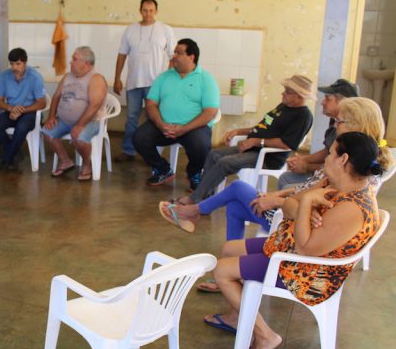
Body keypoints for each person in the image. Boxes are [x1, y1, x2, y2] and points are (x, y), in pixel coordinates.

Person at [203, 132, 382, 349]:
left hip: (308, 273)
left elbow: (306, 248)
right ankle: (239, 314)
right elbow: (289, 204)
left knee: (221, 271)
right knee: (228, 249)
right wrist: (303, 211)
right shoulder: (334, 183)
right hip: (289, 248)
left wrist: (307, 205)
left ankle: (265, 336)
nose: (326, 158)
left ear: (343, 159)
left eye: (330, 153)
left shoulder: (353, 208)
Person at [160, 96, 393, 239]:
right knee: (233, 205)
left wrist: (277, 201)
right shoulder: (350, 154)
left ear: (355, 125)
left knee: (238, 188)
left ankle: (195, 211)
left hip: (295, 220)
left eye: (339, 121)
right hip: (292, 206)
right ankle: (232, 268)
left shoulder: (350, 163)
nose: (335, 125)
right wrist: (277, 194)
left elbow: (317, 205)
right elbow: (313, 188)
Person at [169, 75, 314, 205]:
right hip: (253, 148)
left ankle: (195, 199)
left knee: (224, 162)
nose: (282, 93)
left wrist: (255, 142)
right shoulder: (283, 106)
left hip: (268, 156)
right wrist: (239, 131)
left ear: (299, 96)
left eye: (287, 92)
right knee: (213, 155)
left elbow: (286, 144)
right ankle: (205, 197)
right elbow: (262, 127)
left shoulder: (303, 116)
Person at [131, 38, 220, 187]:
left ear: (191, 57)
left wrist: (184, 128)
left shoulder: (206, 79)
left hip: (192, 128)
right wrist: (160, 124)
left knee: (201, 145)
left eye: (179, 53)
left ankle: (194, 173)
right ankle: (162, 169)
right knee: (139, 138)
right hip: (163, 125)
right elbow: (151, 104)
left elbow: (210, 112)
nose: (174, 56)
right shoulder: (164, 77)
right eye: (174, 53)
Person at [113, 0, 175, 163]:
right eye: (145, 10)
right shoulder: (130, 29)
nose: (148, 14)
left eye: (151, 10)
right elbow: (121, 55)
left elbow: (173, 57)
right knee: (131, 118)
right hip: (133, 83)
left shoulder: (165, 30)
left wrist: (166, 80)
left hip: (155, 85)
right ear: (140, 11)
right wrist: (117, 78)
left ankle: (151, 155)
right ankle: (128, 151)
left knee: (153, 120)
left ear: (156, 11)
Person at [278, 79, 359, 190]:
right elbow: (327, 151)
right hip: (325, 175)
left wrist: (306, 167)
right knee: (286, 178)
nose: (322, 102)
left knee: (288, 186)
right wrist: (303, 159)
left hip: (334, 183)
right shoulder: (335, 121)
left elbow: (340, 169)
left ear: (342, 102)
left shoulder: (350, 132)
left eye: (327, 99)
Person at [43, 47, 108, 181]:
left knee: (79, 139)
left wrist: (80, 124)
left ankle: (86, 165)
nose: (70, 62)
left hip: (90, 121)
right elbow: (56, 97)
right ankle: (65, 161)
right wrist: (51, 117)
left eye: (74, 59)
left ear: (87, 64)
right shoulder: (68, 76)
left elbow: (94, 105)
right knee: (47, 132)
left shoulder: (96, 79)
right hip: (65, 120)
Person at [0, 47, 47, 172]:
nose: (14, 67)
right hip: (11, 110)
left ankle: (5, 158)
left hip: (30, 113)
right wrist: (10, 108)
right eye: (12, 64)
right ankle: (15, 154)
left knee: (21, 127)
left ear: (25, 63)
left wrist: (21, 110)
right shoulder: (4, 76)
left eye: (18, 64)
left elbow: (42, 103)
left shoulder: (35, 77)